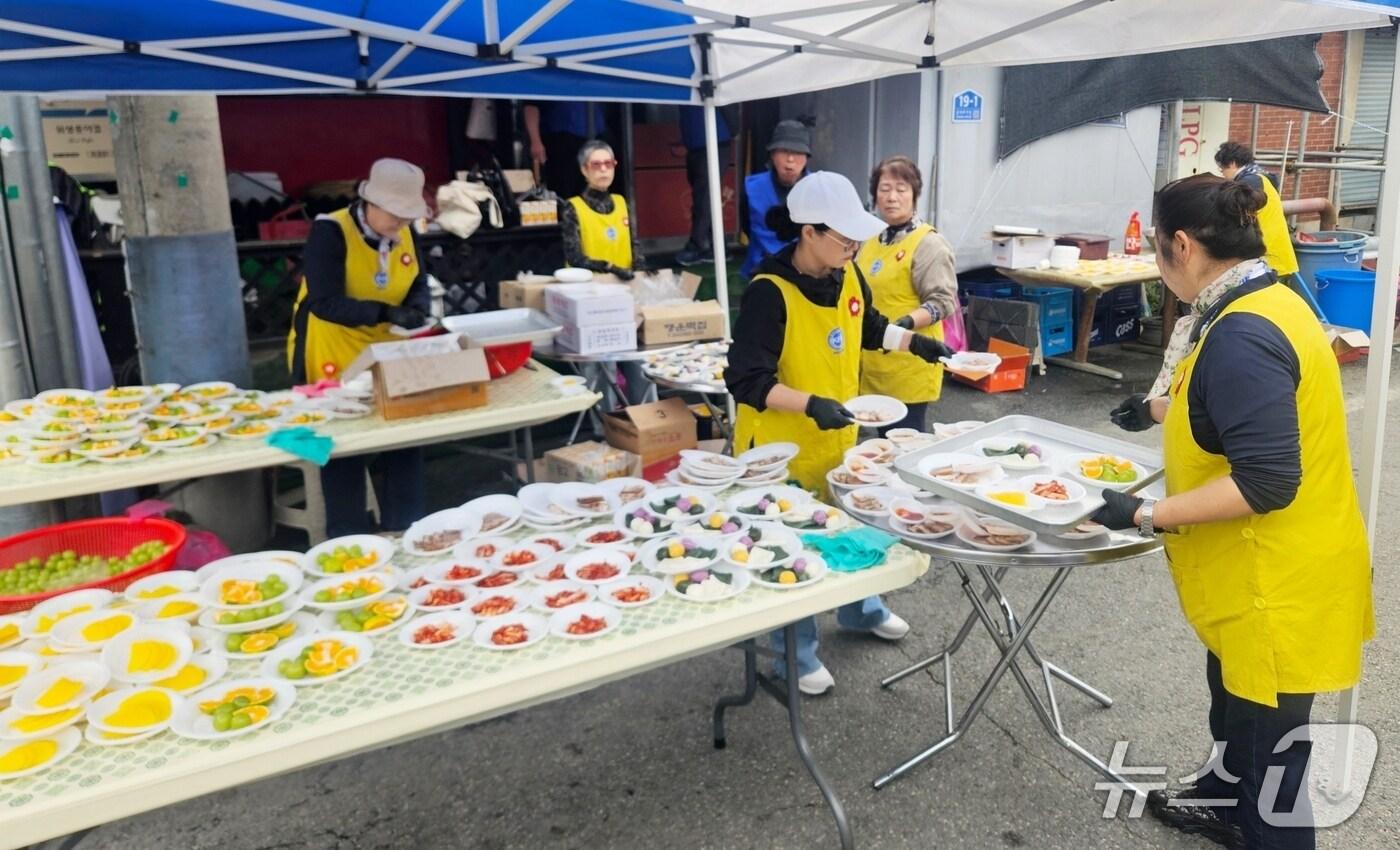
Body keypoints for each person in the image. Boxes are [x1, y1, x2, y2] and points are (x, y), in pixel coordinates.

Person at [1096, 174, 1373, 850]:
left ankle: (1258, 825)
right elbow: (1233, 410)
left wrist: (1145, 513)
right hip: (1260, 581)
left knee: (1274, 775)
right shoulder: (1263, 297)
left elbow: (1266, 481)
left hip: (1276, 587)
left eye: (1158, 250)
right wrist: (1157, 408)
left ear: (1181, 246)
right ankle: (1225, 805)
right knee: (1235, 715)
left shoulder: (1243, 333)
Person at [725, 172, 956, 695]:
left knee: (851, 525)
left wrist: (912, 344)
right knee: (794, 546)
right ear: (809, 232)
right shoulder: (769, 291)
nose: (855, 244)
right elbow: (746, 380)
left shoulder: (847, 273)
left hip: (837, 436)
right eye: (844, 235)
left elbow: (869, 325)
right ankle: (796, 654)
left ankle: (860, 608)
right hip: (779, 449)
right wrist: (811, 405)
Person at [286, 158, 432, 538]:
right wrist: (385, 311)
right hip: (331, 348)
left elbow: (417, 275)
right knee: (342, 449)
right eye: (395, 214)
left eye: (407, 215)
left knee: (405, 439)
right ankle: (348, 538)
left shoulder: (405, 231)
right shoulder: (330, 230)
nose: (401, 223)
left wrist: (418, 306)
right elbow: (324, 301)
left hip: (387, 351)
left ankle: (406, 530)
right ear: (371, 202)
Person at [857, 156, 959, 434]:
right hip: (874, 361)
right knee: (880, 443)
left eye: (901, 189)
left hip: (912, 360)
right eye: (884, 189)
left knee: (906, 441)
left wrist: (906, 324)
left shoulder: (928, 243)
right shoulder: (869, 240)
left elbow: (943, 302)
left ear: (915, 195)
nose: (891, 197)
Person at [560, 140, 650, 405]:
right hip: (591, 301)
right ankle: (605, 426)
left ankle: (646, 418)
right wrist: (611, 268)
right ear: (584, 170)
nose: (603, 170)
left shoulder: (621, 203)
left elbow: (634, 245)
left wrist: (642, 271)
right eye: (596, 165)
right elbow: (575, 256)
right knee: (600, 369)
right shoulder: (573, 207)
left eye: (608, 164)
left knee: (639, 362)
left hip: (626, 295)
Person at [1214, 142, 1299, 284]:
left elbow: (1236, 215)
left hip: (1267, 261)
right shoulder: (1259, 177)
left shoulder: (1249, 183)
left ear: (1233, 163)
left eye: (1222, 169)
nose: (1222, 174)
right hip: (1276, 256)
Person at [740, 119, 812, 278]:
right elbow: (746, 225)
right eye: (784, 151)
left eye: (798, 152)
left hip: (806, 273)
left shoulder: (818, 189)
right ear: (772, 154)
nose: (790, 160)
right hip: (761, 270)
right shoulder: (752, 188)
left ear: (807, 157)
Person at [674, 106, 732, 267]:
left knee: (705, 197)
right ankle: (717, 245)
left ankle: (698, 245)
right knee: (704, 196)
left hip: (714, 140)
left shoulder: (706, 82)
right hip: (697, 142)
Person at [524, 101, 608, 200]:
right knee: (564, 190)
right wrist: (535, 141)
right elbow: (531, 104)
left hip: (595, 138)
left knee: (593, 189)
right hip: (561, 139)